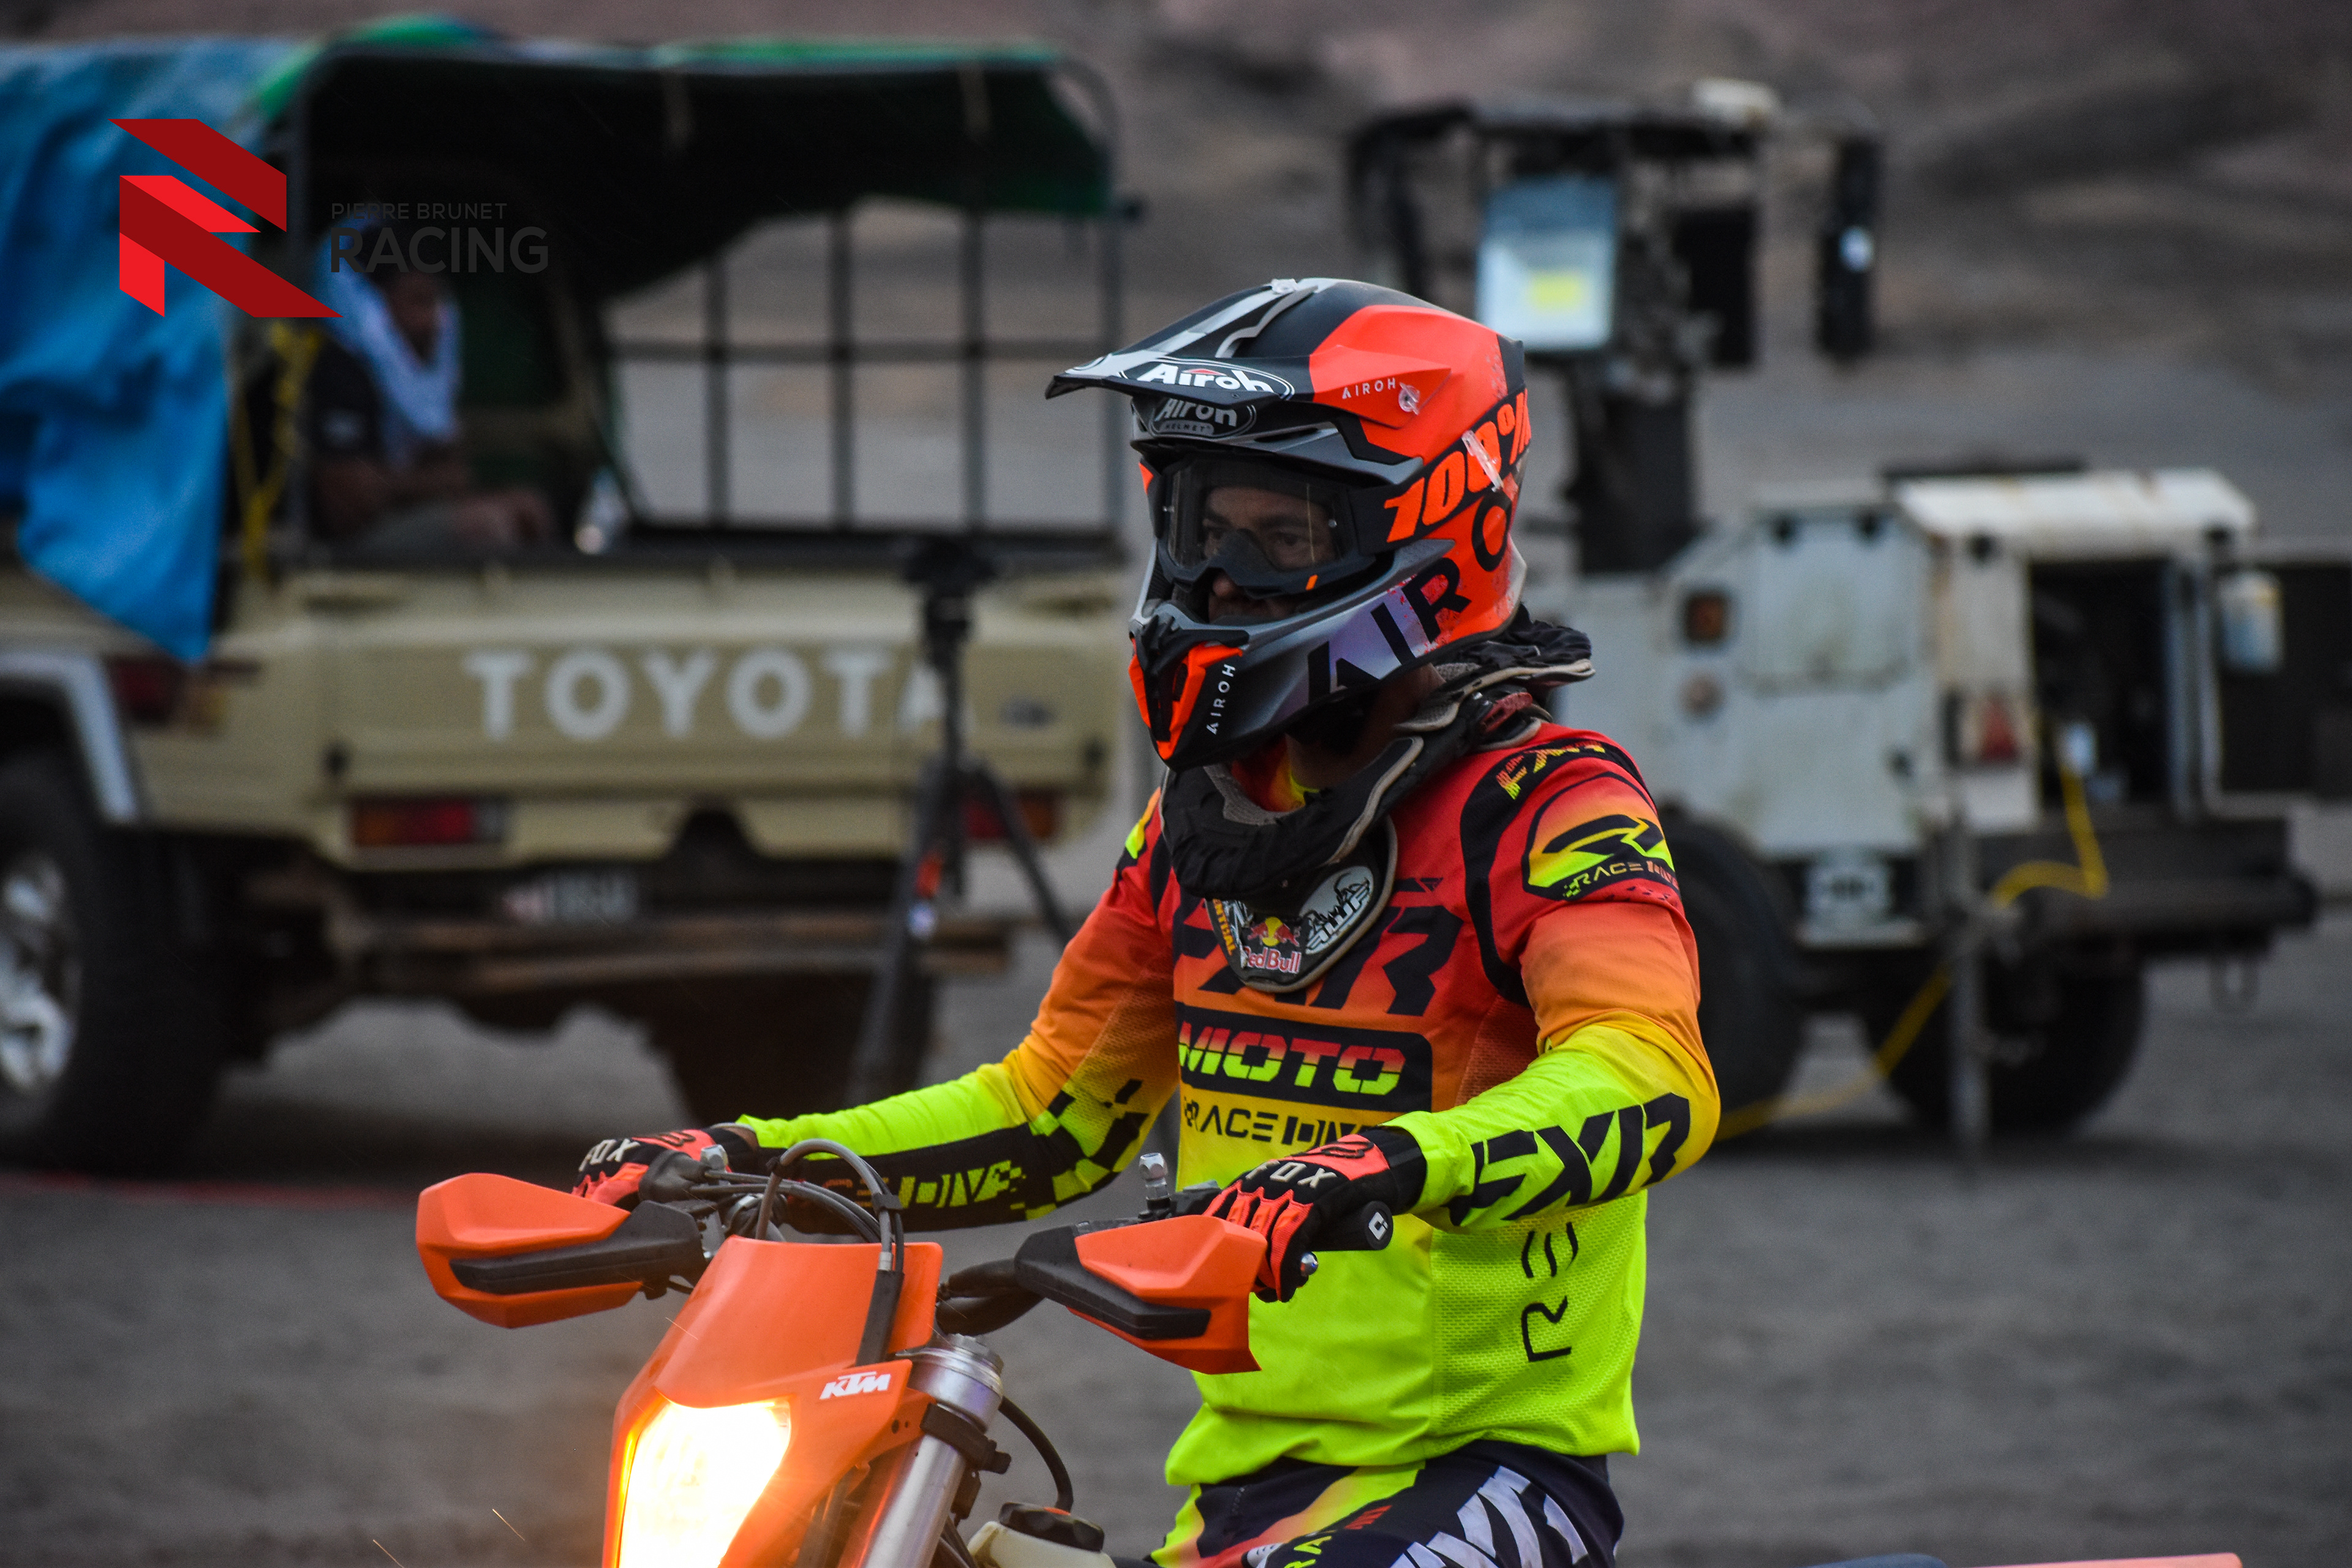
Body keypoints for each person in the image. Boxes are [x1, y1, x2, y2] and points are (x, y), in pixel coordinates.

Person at [575, 279, 1719, 1568]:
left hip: (1481, 1478)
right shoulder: (1201, 831)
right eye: (1199, 527)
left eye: (1280, 535)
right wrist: (744, 1153)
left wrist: (1389, 1160)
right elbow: (1049, 1114)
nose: (1222, 580)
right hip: (1240, 1489)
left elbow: (1648, 1071)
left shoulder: (1550, 807)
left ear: (1437, 522)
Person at [241, 224, 551, 553]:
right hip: (320, 551)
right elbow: (349, 508)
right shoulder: (333, 366)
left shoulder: (424, 377)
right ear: (372, 307)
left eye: (435, 302)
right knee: (484, 526)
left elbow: (450, 466)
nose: (431, 322)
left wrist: (404, 482)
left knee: (530, 508)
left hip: (388, 524)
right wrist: (433, 482)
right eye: (416, 302)